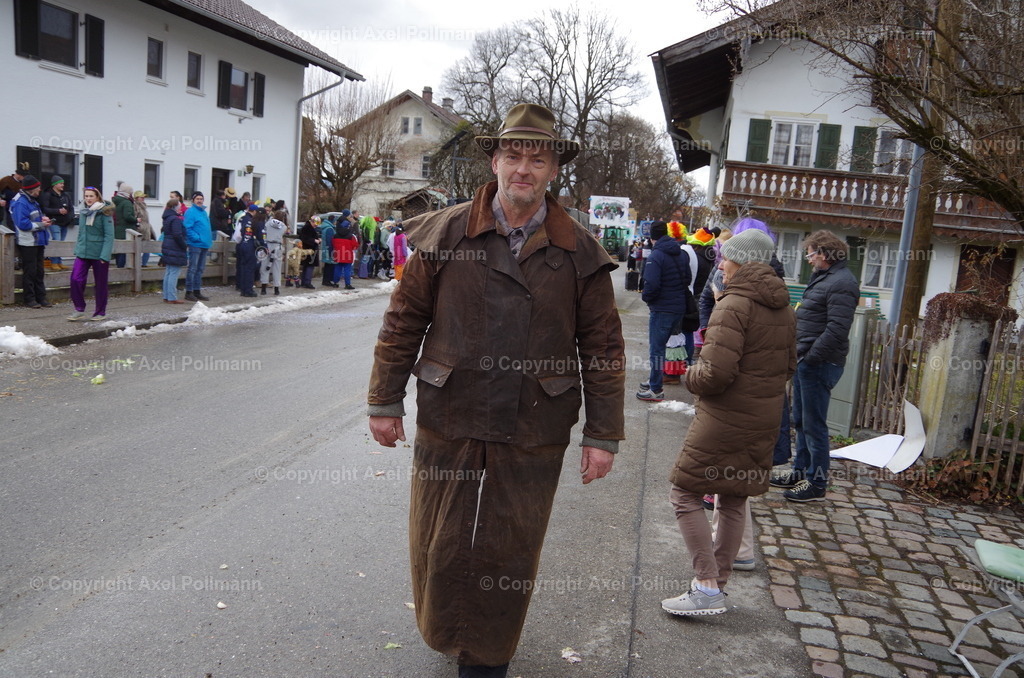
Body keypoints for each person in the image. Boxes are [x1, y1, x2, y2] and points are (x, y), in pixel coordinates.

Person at [367, 103, 625, 678]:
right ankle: (447, 631)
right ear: (494, 160)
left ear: (554, 169)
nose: (524, 169)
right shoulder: (444, 232)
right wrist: (384, 401)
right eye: (513, 154)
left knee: (510, 543)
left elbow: (604, 347)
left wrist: (603, 433)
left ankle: (487, 658)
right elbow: (403, 321)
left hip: (534, 421)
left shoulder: (581, 251)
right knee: (442, 537)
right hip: (451, 408)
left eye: (538, 158)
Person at [661, 229, 796, 616]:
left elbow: (715, 375)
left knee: (684, 494)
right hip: (764, 416)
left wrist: (688, 375)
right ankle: (715, 587)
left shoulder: (735, 304)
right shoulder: (784, 306)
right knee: (733, 497)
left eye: (726, 257)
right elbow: (789, 366)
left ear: (743, 262)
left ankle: (705, 585)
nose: (719, 262)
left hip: (725, 417)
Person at [770, 230, 860, 502]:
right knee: (801, 420)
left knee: (814, 425)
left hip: (818, 363)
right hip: (806, 360)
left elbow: (837, 329)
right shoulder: (826, 277)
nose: (809, 260)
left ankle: (817, 483)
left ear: (823, 253)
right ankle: (800, 472)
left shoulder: (842, 282)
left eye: (810, 254)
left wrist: (809, 357)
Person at [636, 221, 692, 402]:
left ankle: (656, 389)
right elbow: (687, 278)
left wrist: (647, 298)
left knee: (657, 349)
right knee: (664, 347)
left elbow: (651, 284)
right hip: (679, 308)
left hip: (662, 309)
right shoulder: (682, 253)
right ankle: (654, 379)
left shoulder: (656, 255)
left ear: (652, 237)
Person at [67, 186, 114, 320]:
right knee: (75, 279)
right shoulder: (83, 212)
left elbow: (109, 236)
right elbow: (82, 233)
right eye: (86, 196)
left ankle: (100, 312)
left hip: (99, 254)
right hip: (83, 252)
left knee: (100, 284)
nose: (88, 198)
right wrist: (78, 249)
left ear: (97, 197)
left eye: (91, 196)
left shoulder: (105, 212)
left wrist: (105, 256)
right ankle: (79, 308)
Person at [10, 175, 52, 308]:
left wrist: (43, 219)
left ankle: (41, 297)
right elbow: (23, 224)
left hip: (37, 240)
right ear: (31, 189)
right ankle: (29, 299)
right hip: (28, 241)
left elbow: (34, 217)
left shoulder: (31, 200)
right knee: (30, 271)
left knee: (39, 271)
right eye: (38, 188)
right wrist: (41, 224)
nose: (40, 190)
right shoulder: (21, 202)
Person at [183, 192, 212, 302]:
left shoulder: (203, 212)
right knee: (193, 268)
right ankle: (189, 291)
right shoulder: (190, 212)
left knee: (200, 269)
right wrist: (197, 238)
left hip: (204, 244)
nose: (199, 201)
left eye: (201, 199)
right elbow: (187, 228)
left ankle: (197, 290)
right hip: (195, 244)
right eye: (197, 199)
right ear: (193, 200)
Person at [41, 176, 75, 270]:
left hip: (65, 223)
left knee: (61, 243)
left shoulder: (65, 195)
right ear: (55, 184)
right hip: (54, 222)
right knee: (57, 240)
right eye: (61, 183)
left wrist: (69, 217)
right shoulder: (48, 195)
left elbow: (71, 208)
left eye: (63, 183)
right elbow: (45, 209)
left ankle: (59, 262)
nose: (62, 185)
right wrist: (58, 211)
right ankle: (54, 262)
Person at [234, 205, 265, 297]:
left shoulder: (248, 221)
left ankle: (243, 289)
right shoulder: (259, 223)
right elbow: (262, 237)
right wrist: (265, 247)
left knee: (243, 267)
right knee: (250, 269)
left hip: (243, 244)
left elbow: (241, 232)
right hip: (251, 247)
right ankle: (248, 290)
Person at [161, 198, 188, 303]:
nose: (180, 207)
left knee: (169, 272)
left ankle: (166, 296)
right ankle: (172, 297)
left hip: (168, 245)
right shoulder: (175, 219)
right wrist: (184, 245)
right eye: (179, 205)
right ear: (175, 207)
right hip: (175, 247)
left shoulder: (167, 218)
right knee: (174, 272)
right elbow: (177, 234)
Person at [261, 208, 287, 295]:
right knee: (277, 268)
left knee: (265, 266)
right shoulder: (284, 227)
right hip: (278, 247)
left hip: (267, 245)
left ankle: (263, 288)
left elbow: (264, 233)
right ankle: (276, 288)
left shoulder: (268, 223)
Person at [112, 184, 137, 268]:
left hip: (117, 228)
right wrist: (136, 220)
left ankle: (118, 271)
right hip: (126, 230)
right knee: (124, 251)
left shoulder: (115, 201)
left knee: (119, 251)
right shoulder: (126, 202)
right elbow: (127, 216)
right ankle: (122, 272)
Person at [331, 221, 358, 290]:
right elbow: (355, 245)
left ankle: (335, 283)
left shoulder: (335, 235)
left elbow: (333, 244)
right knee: (347, 270)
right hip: (347, 255)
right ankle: (347, 284)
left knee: (337, 269)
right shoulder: (351, 236)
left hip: (338, 254)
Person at [132, 190, 155, 267]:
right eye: (141, 197)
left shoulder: (144, 206)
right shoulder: (135, 206)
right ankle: (137, 264)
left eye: (143, 197)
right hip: (139, 230)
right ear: (136, 198)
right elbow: (135, 218)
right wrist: (139, 227)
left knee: (147, 248)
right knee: (138, 248)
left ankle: (144, 264)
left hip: (146, 230)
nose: (143, 198)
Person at [297, 216, 321, 289]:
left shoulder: (307, 227)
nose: (316, 225)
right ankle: (307, 282)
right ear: (312, 221)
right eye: (315, 223)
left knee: (306, 266)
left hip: (308, 249)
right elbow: (304, 238)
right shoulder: (307, 228)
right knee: (309, 266)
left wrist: (317, 239)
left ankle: (304, 282)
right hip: (309, 250)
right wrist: (315, 240)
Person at [320, 215, 338, 287]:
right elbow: (329, 241)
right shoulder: (329, 229)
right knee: (329, 266)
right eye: (335, 221)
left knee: (327, 265)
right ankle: (327, 281)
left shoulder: (326, 227)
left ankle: (326, 280)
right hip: (329, 249)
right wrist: (331, 252)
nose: (336, 222)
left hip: (325, 248)